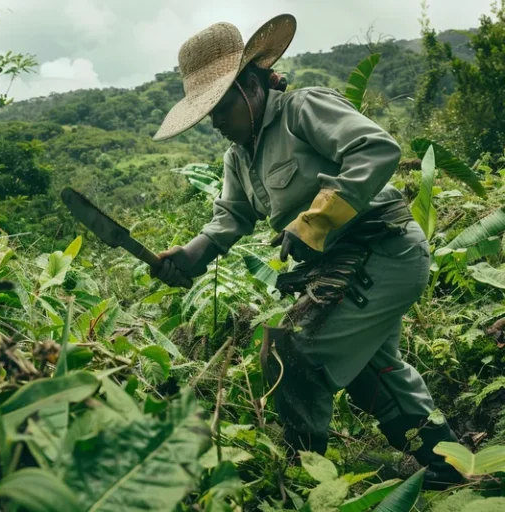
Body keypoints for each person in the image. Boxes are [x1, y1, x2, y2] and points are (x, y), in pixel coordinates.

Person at [150, 14, 462, 489]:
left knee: (293, 354)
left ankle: (300, 482)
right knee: (373, 369)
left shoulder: (301, 110)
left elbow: (375, 149)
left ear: (252, 86)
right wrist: (190, 257)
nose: (215, 122)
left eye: (220, 107)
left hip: (384, 251)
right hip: (338, 270)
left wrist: (315, 219)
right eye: (206, 113)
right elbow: (231, 216)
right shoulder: (240, 153)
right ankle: (449, 467)